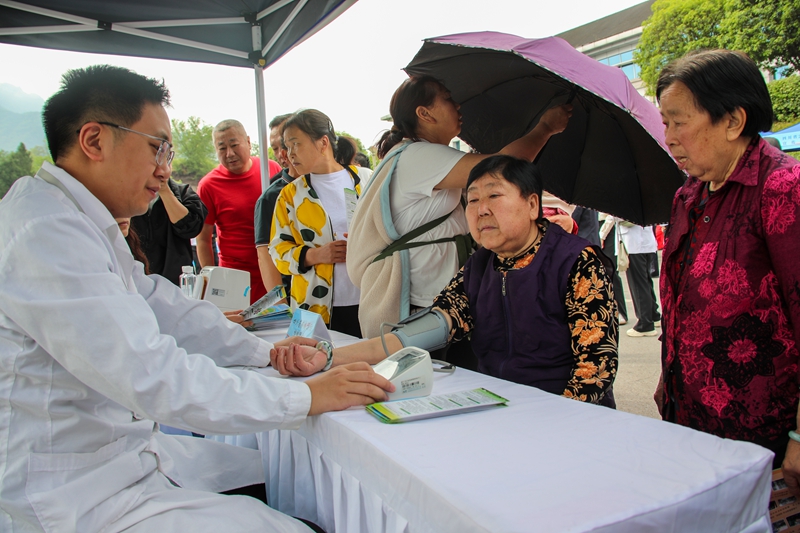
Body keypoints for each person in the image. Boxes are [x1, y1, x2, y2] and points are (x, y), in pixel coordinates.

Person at [0, 64, 393, 533]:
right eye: (157, 147)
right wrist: (302, 396)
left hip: (122, 462)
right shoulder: (45, 231)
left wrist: (266, 353)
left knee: (283, 478)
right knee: (291, 515)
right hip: (78, 494)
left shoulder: (77, 223)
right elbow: (151, 372)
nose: (165, 168)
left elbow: (164, 308)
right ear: (94, 141)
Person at [272, 155, 618, 407]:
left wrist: (556, 420)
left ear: (531, 205)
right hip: (501, 405)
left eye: (494, 196)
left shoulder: (577, 262)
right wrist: (326, 356)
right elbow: (418, 333)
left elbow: (595, 369)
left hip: (563, 412)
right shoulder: (479, 265)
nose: (481, 209)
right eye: (473, 199)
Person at [654, 49, 800, 486]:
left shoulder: (782, 188)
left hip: (766, 440)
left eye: (679, 122)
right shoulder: (689, 195)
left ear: (733, 121)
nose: (669, 137)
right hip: (692, 423)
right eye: (664, 123)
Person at [347, 75, 572, 340]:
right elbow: (504, 166)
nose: (457, 105)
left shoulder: (422, 155)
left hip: (439, 303)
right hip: (422, 307)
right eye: (447, 98)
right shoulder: (418, 155)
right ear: (424, 113)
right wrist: (545, 128)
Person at [269, 110, 372, 337]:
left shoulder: (366, 179)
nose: (289, 154)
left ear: (323, 142)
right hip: (313, 306)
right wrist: (315, 255)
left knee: (371, 357)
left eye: (296, 144)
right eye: (287, 146)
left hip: (369, 299)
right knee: (313, 358)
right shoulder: (290, 195)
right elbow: (277, 251)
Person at [196, 120, 281, 303]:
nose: (229, 153)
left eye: (234, 145)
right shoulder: (208, 185)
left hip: (275, 270)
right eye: (222, 148)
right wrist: (210, 279)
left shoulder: (271, 169)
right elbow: (203, 239)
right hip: (234, 277)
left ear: (248, 142)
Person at [130, 176, 207, 285]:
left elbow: (191, 229)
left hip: (175, 280)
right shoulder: (126, 194)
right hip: (132, 278)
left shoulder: (183, 193)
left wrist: (165, 191)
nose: (158, 171)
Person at [255, 114, 297, 297]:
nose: (281, 154)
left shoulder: (342, 182)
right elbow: (266, 258)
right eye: (275, 148)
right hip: (295, 299)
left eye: (285, 144)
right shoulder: (271, 197)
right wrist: (281, 306)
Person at [618, 222, 661, 337]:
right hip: (647, 243)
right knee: (646, 282)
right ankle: (653, 315)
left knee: (638, 284)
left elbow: (618, 218)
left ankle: (645, 324)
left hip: (634, 245)